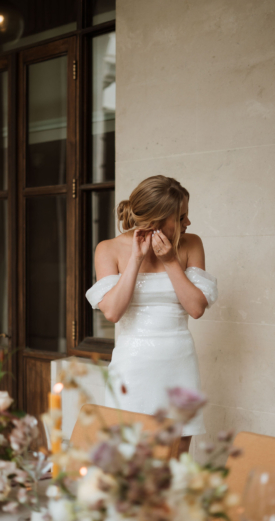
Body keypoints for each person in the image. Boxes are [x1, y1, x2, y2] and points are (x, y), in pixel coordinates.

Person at [85, 175, 218, 453]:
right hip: (133, 365)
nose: (188, 222)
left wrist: (170, 261)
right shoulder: (108, 249)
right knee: (130, 456)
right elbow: (113, 312)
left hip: (179, 363)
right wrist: (135, 259)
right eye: (180, 218)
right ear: (156, 220)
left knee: (177, 454)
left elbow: (196, 308)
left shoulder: (191, 243)